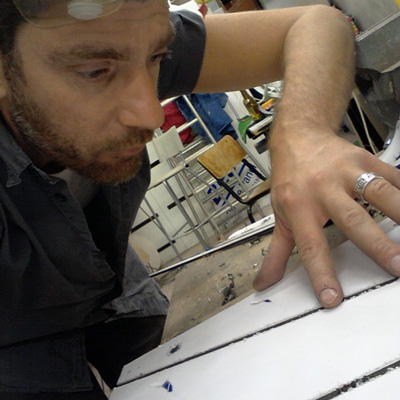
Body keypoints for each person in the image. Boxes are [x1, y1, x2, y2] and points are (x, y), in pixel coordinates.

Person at [0, 0, 399, 397]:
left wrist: (303, 132)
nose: (152, 114)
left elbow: (318, 22)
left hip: (117, 292)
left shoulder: (123, 33)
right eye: (94, 72)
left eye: (157, 58)